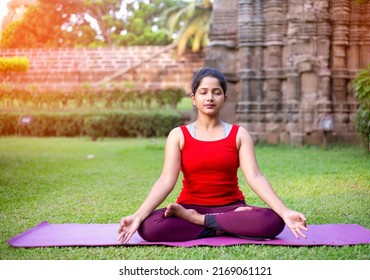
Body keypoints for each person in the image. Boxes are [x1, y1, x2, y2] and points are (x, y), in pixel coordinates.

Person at [117, 67, 308, 243]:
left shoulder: (239, 134)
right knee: (149, 227)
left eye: (216, 92)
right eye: (203, 92)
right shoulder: (178, 135)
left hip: (231, 208)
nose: (210, 97)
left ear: (224, 99)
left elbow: (255, 176)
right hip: (189, 206)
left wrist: (284, 212)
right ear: (193, 98)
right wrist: (138, 216)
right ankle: (224, 226)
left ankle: (200, 221)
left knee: (272, 221)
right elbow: (166, 179)